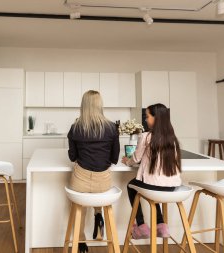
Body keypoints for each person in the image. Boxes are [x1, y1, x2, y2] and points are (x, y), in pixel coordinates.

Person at [67, 90, 120, 253]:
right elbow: (114, 158)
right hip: (103, 183)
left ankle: (81, 242)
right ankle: (98, 214)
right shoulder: (112, 128)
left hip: (80, 180)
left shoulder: (75, 128)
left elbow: (72, 156)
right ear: (100, 105)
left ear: (83, 106)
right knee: (98, 195)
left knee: (79, 205)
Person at [122, 103, 182, 239]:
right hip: (172, 188)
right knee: (156, 190)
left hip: (153, 187)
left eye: (148, 116)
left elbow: (135, 159)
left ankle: (141, 226)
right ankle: (161, 225)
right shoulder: (172, 138)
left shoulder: (146, 137)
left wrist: (126, 160)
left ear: (156, 118)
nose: (146, 119)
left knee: (131, 186)